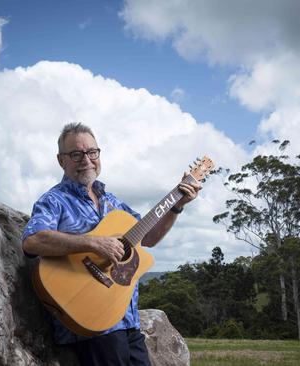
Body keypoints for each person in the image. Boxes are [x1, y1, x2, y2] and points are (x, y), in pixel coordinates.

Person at [21, 122, 201, 366]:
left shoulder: (113, 202)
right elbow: (33, 240)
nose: (86, 159)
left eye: (92, 152)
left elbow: (147, 237)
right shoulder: (55, 200)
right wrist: (92, 243)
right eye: (76, 154)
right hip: (89, 322)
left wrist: (176, 206)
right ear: (61, 160)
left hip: (127, 320)